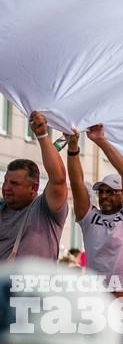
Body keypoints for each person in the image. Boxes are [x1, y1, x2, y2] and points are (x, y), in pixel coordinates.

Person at [67, 124, 123, 344]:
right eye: (101, 192)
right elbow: (76, 184)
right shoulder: (88, 217)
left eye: (111, 192)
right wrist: (73, 148)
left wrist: (100, 141)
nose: (104, 196)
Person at [0, 111, 68, 260]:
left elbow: (58, 179)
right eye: (5, 181)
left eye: (14, 184)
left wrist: (42, 135)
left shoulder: (45, 209)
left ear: (34, 187)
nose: (6, 188)